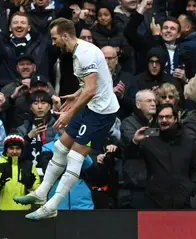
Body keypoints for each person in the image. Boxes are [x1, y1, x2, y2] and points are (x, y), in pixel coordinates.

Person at [14, 17, 119, 220]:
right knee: (61, 148)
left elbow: (91, 89)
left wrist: (70, 112)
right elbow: (89, 87)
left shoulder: (84, 54)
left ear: (64, 35)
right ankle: (41, 194)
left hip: (101, 114)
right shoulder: (80, 52)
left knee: (74, 157)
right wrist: (76, 95)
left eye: (54, 38)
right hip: (91, 107)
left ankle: (52, 206)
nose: (53, 43)